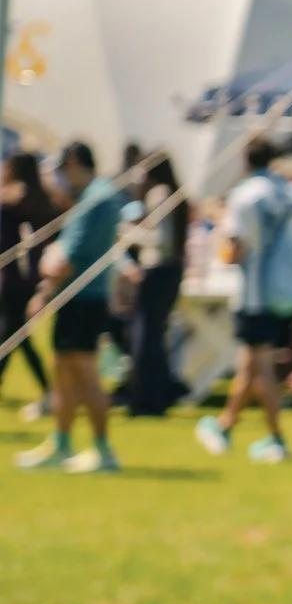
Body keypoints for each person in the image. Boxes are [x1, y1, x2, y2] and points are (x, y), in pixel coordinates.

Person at [198, 137, 292, 463]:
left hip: (255, 293)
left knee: (260, 366)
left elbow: (235, 250)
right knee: (249, 363)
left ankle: (276, 438)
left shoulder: (245, 195)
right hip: (288, 287)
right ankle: (225, 426)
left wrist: (220, 231)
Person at [15, 142, 126, 472]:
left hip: (83, 298)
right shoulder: (98, 194)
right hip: (80, 298)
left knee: (85, 373)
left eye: (64, 169)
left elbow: (67, 259)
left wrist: (43, 290)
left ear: (76, 162)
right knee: (63, 370)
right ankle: (61, 443)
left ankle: (103, 450)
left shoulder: (95, 197)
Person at [118, 156, 189, 417]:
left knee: (145, 337)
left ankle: (147, 398)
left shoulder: (159, 193)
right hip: (170, 271)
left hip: (157, 270)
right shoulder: (175, 192)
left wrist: (127, 232)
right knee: (155, 336)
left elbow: (160, 239)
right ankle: (162, 391)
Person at [1, 150, 56, 418]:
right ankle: (48, 390)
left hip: (14, 279)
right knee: (14, 334)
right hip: (28, 278)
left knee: (14, 334)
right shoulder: (39, 201)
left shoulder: (15, 203)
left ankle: (49, 390)